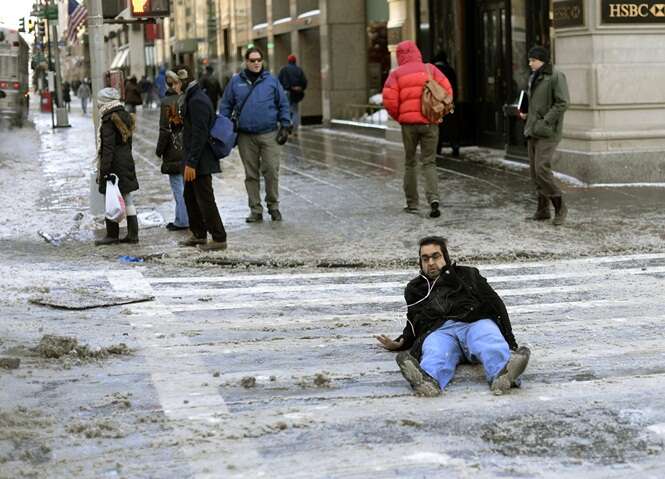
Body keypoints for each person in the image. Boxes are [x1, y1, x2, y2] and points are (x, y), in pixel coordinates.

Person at [376, 236, 530, 397]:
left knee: (488, 341)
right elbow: (413, 321)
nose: (430, 263)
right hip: (441, 331)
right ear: (420, 262)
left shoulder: (468, 274)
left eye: (436, 256)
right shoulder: (415, 288)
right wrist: (401, 342)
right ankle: (428, 381)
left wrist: (511, 341)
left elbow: (496, 303)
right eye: (425, 258)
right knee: (435, 352)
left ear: (446, 257)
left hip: (474, 323)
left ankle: (503, 375)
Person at [382, 40, 453, 219]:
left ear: (399, 56)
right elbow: (447, 92)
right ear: (417, 53)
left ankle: (412, 202)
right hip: (430, 122)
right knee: (429, 162)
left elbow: (389, 100)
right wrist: (437, 113)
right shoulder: (430, 69)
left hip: (409, 125)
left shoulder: (396, 74)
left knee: (410, 162)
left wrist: (401, 117)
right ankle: (434, 199)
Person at [220, 47, 291, 223]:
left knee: (271, 171)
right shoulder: (236, 82)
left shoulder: (272, 81)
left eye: (259, 59)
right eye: (252, 60)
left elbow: (283, 103)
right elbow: (226, 105)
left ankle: (273, 207)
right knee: (251, 174)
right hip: (245, 137)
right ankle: (255, 209)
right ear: (246, 62)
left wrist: (285, 125)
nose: (256, 63)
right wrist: (225, 126)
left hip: (269, 134)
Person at [177, 65, 228, 251]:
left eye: (175, 83)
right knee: (190, 196)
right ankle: (198, 234)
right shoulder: (192, 97)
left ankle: (219, 237)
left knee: (205, 199)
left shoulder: (197, 100)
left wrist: (191, 163)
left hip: (200, 160)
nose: (173, 87)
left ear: (183, 81)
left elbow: (199, 134)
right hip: (194, 158)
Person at [519, 46, 570, 226]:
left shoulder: (555, 76)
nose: (530, 63)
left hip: (547, 131)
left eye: (533, 60)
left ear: (542, 60)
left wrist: (546, 121)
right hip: (533, 129)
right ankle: (542, 210)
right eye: (530, 60)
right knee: (534, 172)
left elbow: (562, 103)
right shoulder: (534, 77)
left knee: (542, 169)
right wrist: (526, 113)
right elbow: (534, 102)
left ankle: (560, 206)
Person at [94, 87, 140, 246]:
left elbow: (108, 148)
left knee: (110, 198)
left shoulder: (109, 119)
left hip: (114, 164)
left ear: (105, 102)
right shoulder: (125, 115)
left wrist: (104, 170)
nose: (98, 104)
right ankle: (133, 234)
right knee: (127, 198)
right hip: (126, 160)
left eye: (100, 101)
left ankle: (112, 234)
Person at [156, 70, 189, 232]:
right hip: (188, 147)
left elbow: (164, 129)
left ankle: (182, 221)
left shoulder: (167, 102)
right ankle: (185, 217)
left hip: (173, 149)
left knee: (178, 187)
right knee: (187, 186)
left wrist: (159, 150)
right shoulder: (187, 98)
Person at [432, 51, 460, 157]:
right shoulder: (450, 70)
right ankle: (455, 146)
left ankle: (437, 148)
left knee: (437, 126)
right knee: (452, 126)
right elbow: (454, 88)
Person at [278, 54, 307, 131]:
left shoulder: (284, 69)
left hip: (286, 92)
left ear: (288, 60)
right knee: (295, 111)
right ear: (295, 61)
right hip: (295, 93)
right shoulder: (299, 69)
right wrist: (300, 88)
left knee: (286, 110)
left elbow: (278, 81)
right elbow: (304, 81)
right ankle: (295, 129)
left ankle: (287, 127)